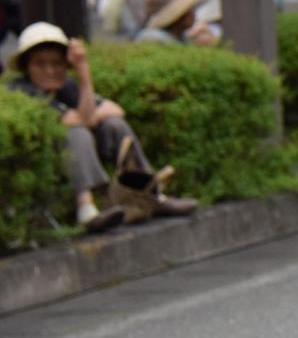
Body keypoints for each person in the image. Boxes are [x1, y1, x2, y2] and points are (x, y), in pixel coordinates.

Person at [7, 22, 197, 233]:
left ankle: (152, 194)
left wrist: (84, 78)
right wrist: (87, 111)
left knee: (114, 125)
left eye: (57, 63)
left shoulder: (67, 86)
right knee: (77, 133)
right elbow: (77, 121)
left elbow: (115, 110)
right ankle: (86, 209)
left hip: (85, 148)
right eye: (40, 64)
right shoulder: (21, 89)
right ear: (27, 67)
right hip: (50, 159)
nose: (50, 70)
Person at [134, 0, 218, 47]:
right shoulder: (156, 40)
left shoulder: (181, 38)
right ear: (182, 14)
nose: (193, 11)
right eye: (189, 7)